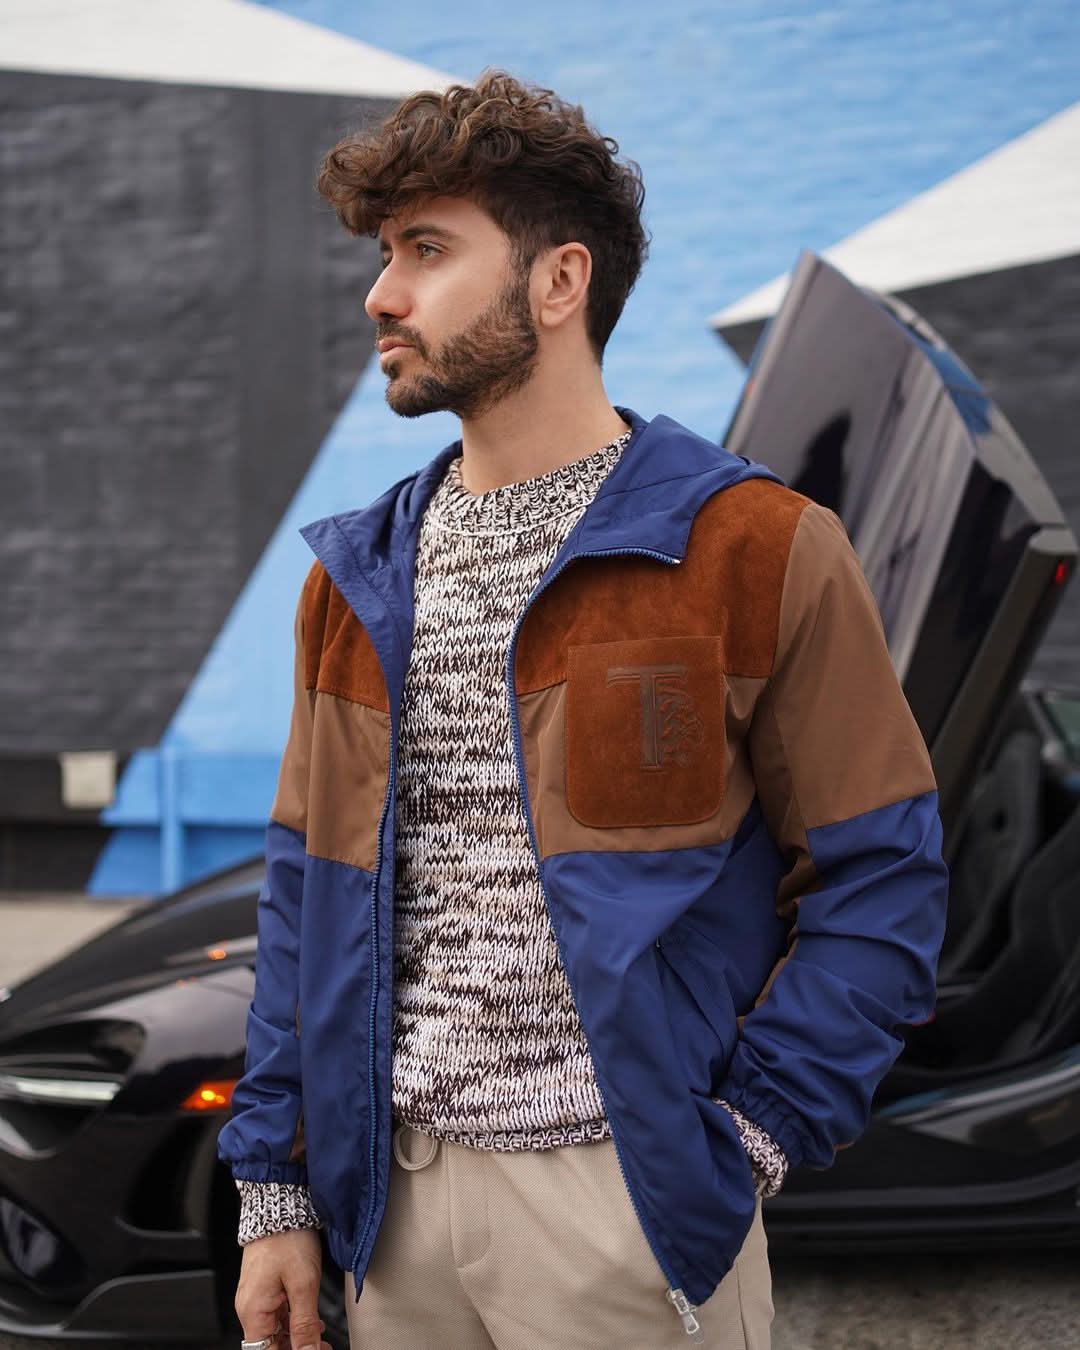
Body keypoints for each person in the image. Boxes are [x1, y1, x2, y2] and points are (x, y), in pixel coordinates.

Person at [218, 71, 948, 1350]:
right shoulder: (354, 578)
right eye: (387, 254)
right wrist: (275, 1186)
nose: (381, 294)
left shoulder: (753, 548)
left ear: (559, 283)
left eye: (428, 251)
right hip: (393, 1215)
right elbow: (306, 893)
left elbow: (882, 882)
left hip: (626, 1215)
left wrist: (748, 1139)